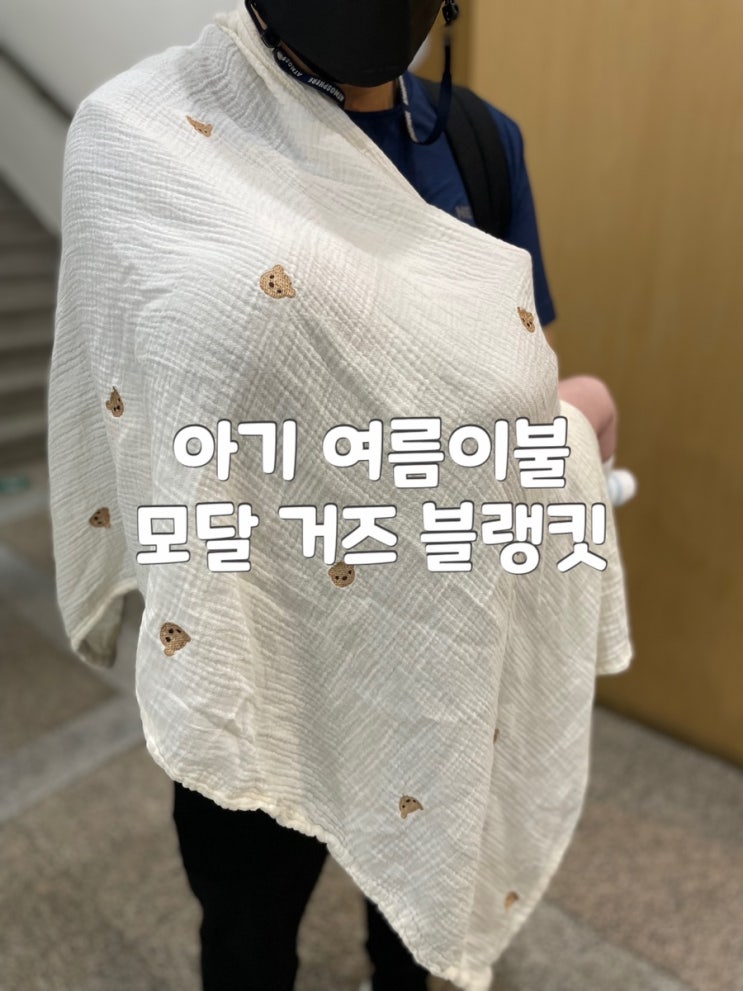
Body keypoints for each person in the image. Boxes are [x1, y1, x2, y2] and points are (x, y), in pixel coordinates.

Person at [47, 2, 633, 990]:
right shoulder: (145, 135)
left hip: (437, 620)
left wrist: (561, 422)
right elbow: (150, 398)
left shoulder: (477, 145)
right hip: (253, 629)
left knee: (414, 919)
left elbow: (508, 376)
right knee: (246, 930)